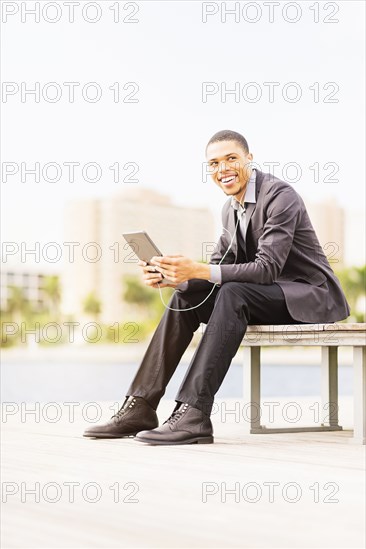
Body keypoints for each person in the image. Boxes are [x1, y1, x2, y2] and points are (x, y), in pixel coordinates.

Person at [83, 130, 350, 445]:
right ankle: (140, 406)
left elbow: (266, 269)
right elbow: (216, 268)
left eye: (231, 158)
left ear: (249, 159)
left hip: (309, 296)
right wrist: (177, 278)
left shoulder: (280, 196)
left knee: (234, 293)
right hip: (266, 296)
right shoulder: (230, 209)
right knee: (186, 296)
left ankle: (194, 413)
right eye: (213, 163)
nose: (222, 168)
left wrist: (197, 269)